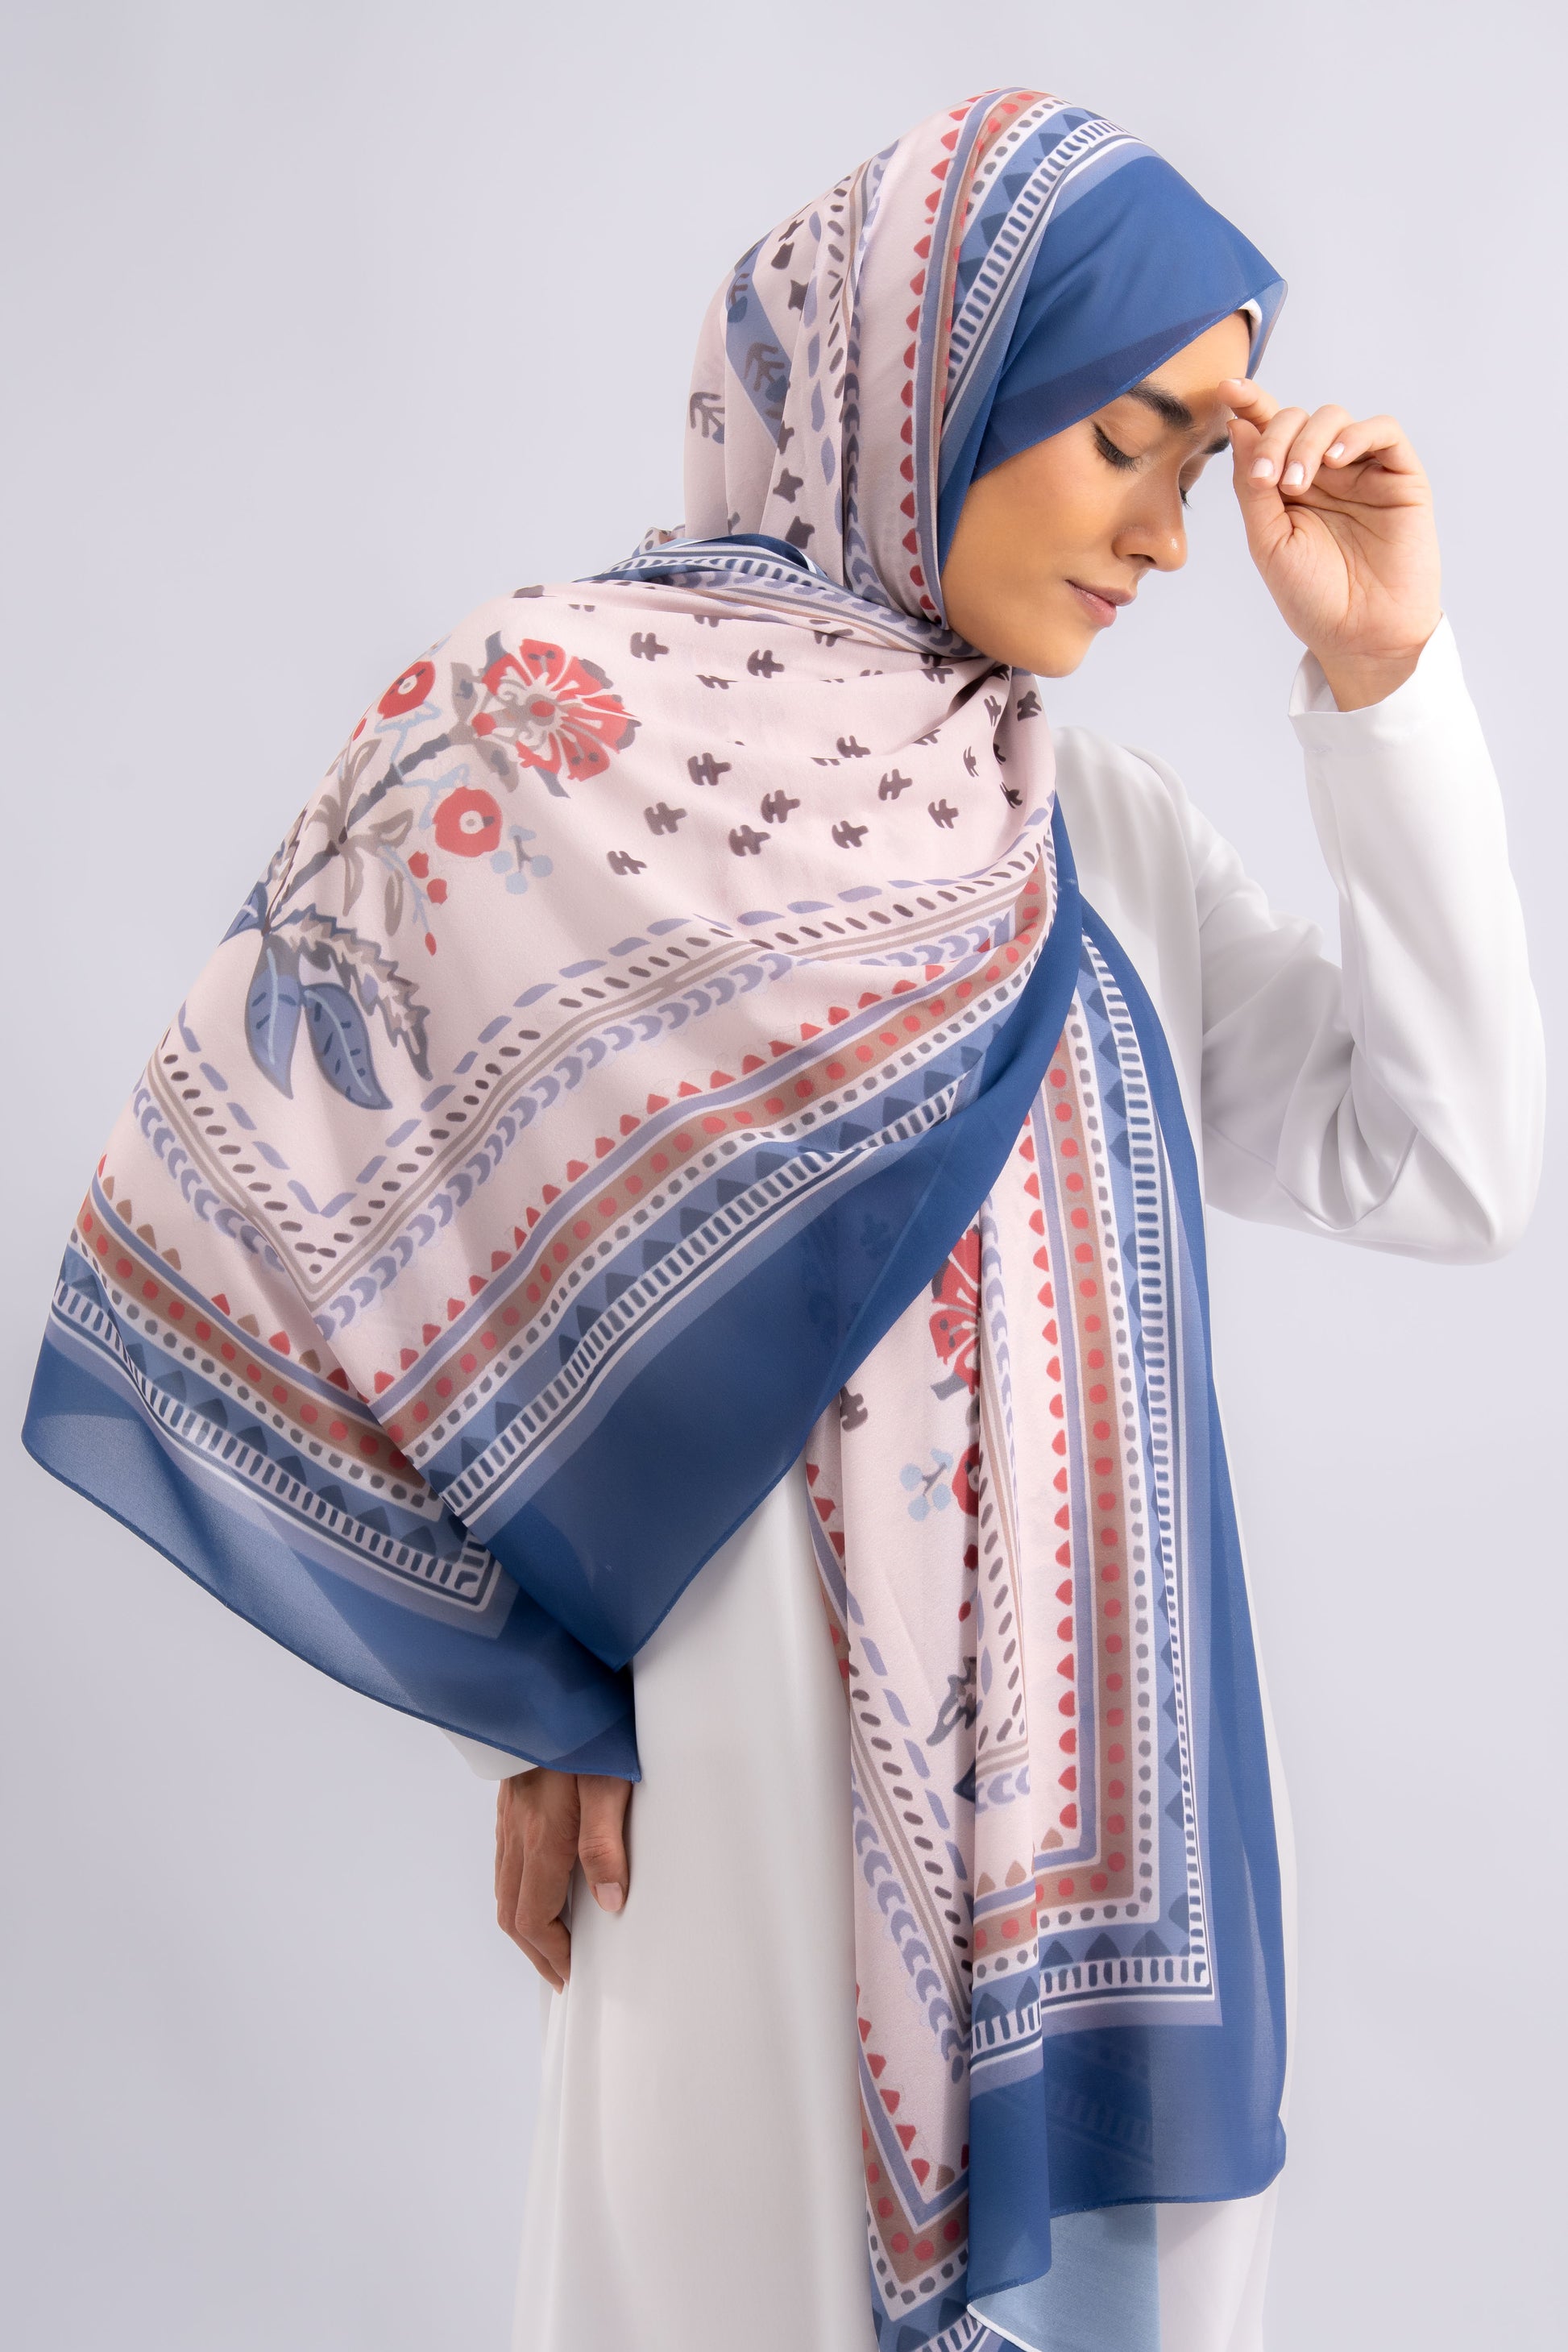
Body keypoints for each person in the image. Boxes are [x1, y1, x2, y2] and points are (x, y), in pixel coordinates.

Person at [23, 87, 1541, 2352]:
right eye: (1126, 439)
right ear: (931, 387)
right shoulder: (543, 738)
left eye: (1204, 458)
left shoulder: (1087, 828)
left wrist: (1383, 678)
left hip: (1119, 1885)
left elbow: (1447, 1155)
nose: (1167, 535)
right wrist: (524, 1684)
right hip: (739, 1828)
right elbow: (323, 1225)